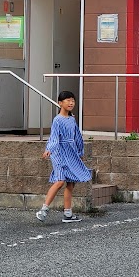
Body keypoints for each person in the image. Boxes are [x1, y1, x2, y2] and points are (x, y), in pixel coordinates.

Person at [36, 91, 91, 223]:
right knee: (60, 181)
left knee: (70, 183)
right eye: (68, 100)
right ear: (60, 103)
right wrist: (49, 149)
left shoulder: (72, 119)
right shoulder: (57, 120)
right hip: (59, 153)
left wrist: (80, 152)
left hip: (71, 153)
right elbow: (54, 137)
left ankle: (68, 213)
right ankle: (43, 210)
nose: (71, 103)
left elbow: (77, 136)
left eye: (73, 100)